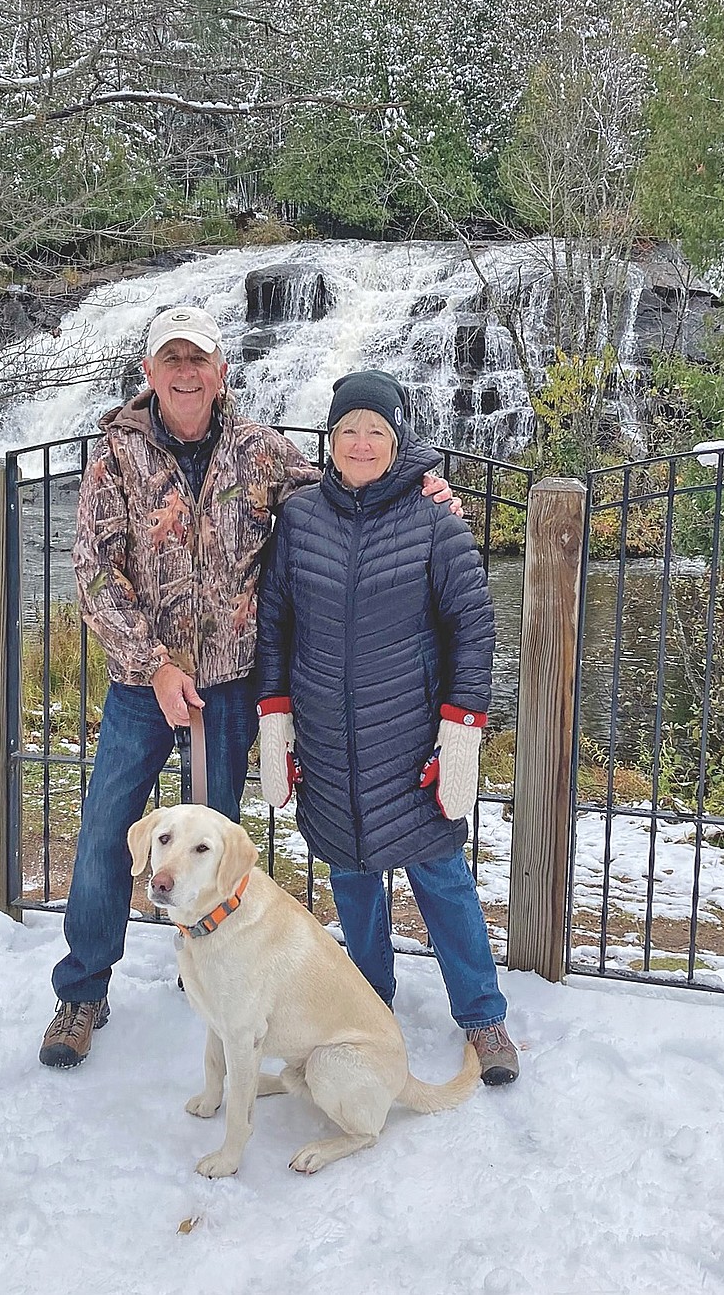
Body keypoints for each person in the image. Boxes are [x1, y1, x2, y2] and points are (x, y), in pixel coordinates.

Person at [41, 310, 457, 1068]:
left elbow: (348, 493)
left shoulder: (262, 451)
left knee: (216, 841)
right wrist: (155, 662)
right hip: (144, 685)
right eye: (172, 359)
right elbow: (93, 570)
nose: (186, 372)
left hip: (231, 688)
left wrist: (421, 490)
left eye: (198, 358)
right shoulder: (116, 454)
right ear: (150, 373)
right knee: (108, 835)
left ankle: (207, 971)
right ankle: (81, 991)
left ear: (221, 369)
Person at [255, 369, 519, 1086]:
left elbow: (474, 627)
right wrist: (274, 718)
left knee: (442, 877)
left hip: (409, 741)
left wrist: (461, 731)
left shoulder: (437, 521)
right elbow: (274, 623)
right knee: (353, 878)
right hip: (329, 742)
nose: (362, 441)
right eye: (348, 429)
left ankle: (483, 1016)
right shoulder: (300, 519)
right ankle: (365, 1006)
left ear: (399, 440)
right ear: (330, 440)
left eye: (376, 429)